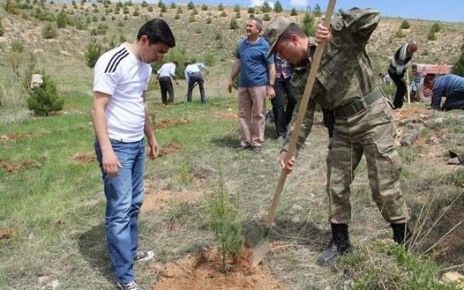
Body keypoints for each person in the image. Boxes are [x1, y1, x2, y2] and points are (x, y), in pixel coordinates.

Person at [263, 9, 410, 266]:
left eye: (280, 49)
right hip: (343, 124)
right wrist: (288, 150)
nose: (279, 56)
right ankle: (340, 244)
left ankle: (404, 243)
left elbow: (372, 16)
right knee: (336, 184)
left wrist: (338, 27)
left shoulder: (337, 39)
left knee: (384, 185)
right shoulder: (300, 74)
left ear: (295, 39)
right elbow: (302, 116)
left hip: (373, 115)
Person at [92, 19, 175, 290]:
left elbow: (139, 103)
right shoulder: (113, 61)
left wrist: (150, 137)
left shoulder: (145, 67)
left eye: (163, 54)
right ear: (143, 41)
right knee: (119, 209)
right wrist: (107, 150)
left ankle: (129, 251)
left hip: (136, 143)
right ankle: (124, 277)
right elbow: (98, 108)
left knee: (135, 203)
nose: (159, 57)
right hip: (116, 145)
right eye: (158, 51)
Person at [227, 17, 276, 152]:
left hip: (259, 84)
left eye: (250, 26)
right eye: (247, 26)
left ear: (258, 30)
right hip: (243, 84)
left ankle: (257, 142)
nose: (247, 28)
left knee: (258, 114)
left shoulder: (265, 45)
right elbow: (238, 63)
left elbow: (272, 67)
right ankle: (245, 142)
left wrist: (270, 86)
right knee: (243, 113)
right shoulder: (242, 44)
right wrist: (231, 78)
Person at [271, 52, 297, 140]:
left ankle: (286, 120)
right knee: (278, 103)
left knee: (294, 99)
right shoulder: (272, 49)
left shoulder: (290, 47)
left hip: (289, 76)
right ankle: (281, 132)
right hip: (275, 78)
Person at [388, 40, 418, 109]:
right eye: (411, 51)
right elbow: (399, 71)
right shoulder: (402, 55)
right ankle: (397, 106)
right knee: (402, 88)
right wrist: (403, 79)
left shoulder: (409, 48)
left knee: (402, 88)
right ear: (409, 47)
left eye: (413, 52)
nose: (412, 53)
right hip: (394, 72)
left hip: (399, 71)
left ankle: (397, 105)